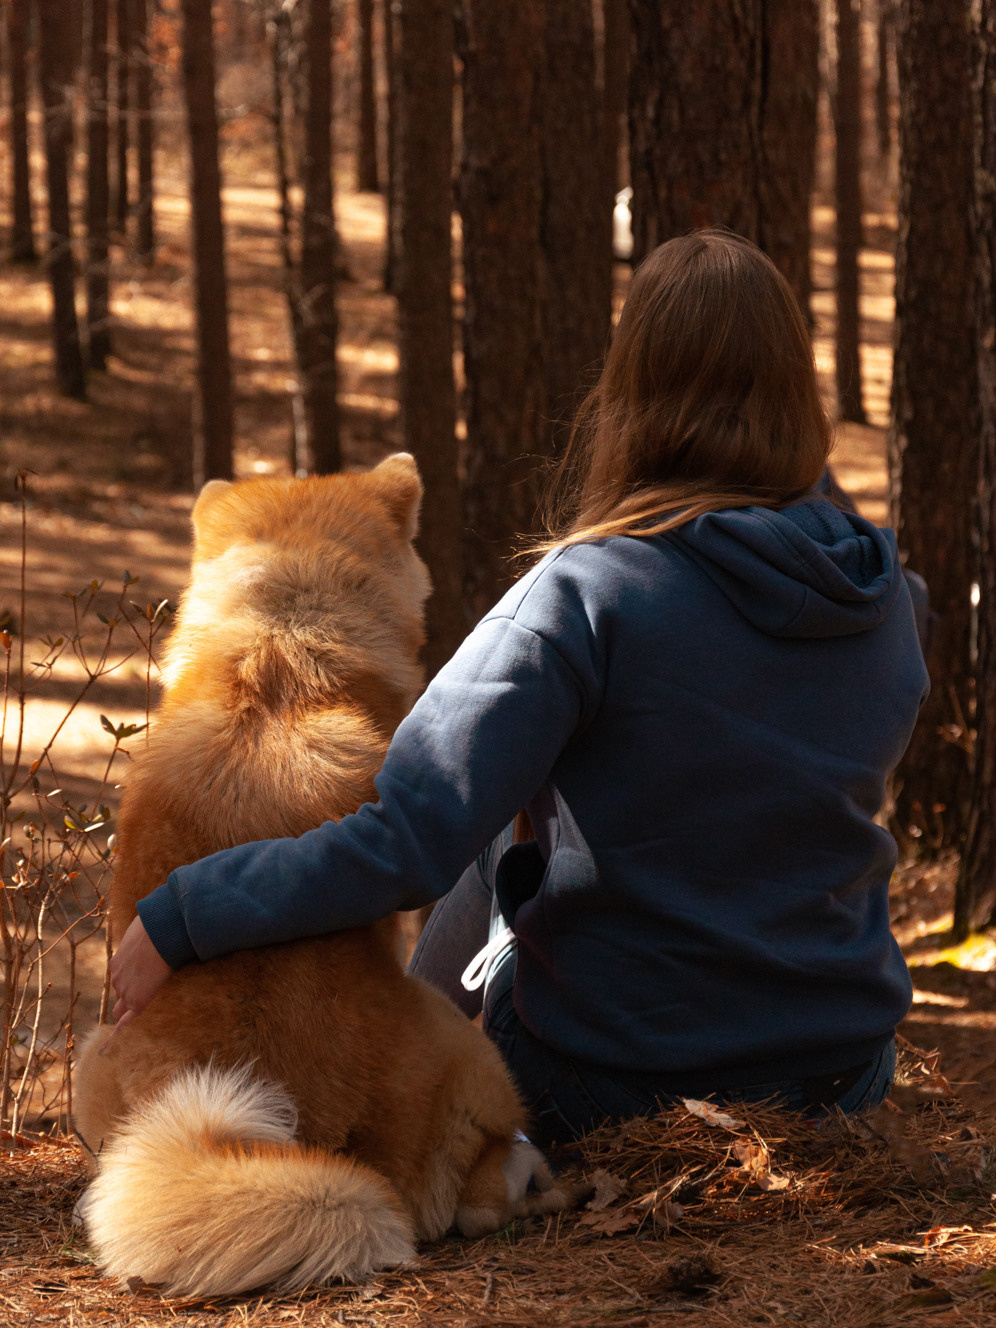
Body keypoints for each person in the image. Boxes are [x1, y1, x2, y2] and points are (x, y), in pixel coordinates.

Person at [109, 229, 929, 1148]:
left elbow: (407, 840)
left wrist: (187, 914)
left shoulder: (588, 596)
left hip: (623, 1083)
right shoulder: (887, 597)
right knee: (523, 800)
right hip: (843, 1074)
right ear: (798, 391)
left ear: (628, 394)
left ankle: (399, 1066)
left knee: (490, 815)